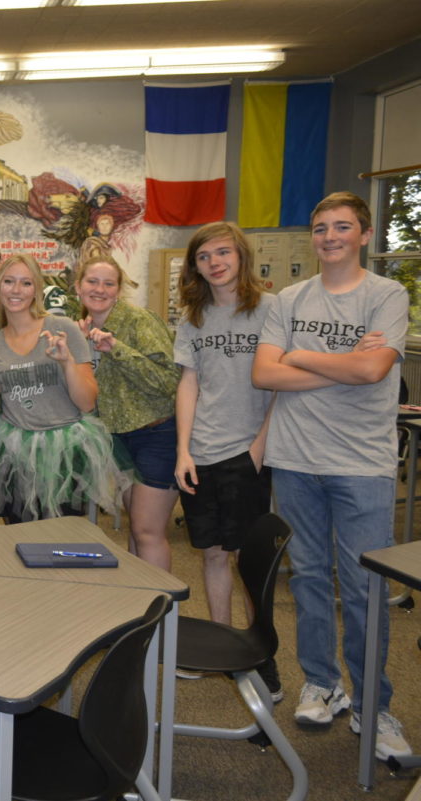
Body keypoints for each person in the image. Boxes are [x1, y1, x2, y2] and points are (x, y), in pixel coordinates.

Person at [253, 192, 411, 758]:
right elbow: (263, 373)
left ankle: (376, 706)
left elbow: (373, 369)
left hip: (362, 465)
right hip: (295, 461)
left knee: (368, 589)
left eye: (342, 227)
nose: (330, 236)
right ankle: (323, 684)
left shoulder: (387, 294)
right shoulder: (288, 299)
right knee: (310, 580)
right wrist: (338, 368)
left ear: (364, 235)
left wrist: (299, 357)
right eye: (321, 228)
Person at [0, 254, 128, 521]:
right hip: (14, 453)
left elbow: (86, 403)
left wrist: (67, 362)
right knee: (20, 537)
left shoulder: (62, 329)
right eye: (9, 282)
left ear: (36, 290)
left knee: (63, 539)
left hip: (65, 451)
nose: (16, 291)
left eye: (26, 283)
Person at [173, 223, 276, 632]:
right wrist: (184, 450)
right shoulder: (192, 318)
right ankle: (224, 642)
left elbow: (281, 386)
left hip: (248, 452)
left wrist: (258, 449)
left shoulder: (270, 309)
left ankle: (259, 649)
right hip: (201, 452)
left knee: (248, 558)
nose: (214, 263)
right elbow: (188, 384)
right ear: (195, 266)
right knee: (213, 554)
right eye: (204, 256)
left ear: (241, 257)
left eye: (223, 253)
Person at [75, 255, 180, 570]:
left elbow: (168, 380)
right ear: (79, 287)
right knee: (137, 529)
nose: (100, 289)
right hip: (119, 440)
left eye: (109, 283)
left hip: (156, 435)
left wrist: (116, 349)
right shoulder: (82, 327)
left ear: (119, 290)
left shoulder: (138, 320)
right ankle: (142, 605)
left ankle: (162, 612)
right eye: (92, 281)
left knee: (148, 531)